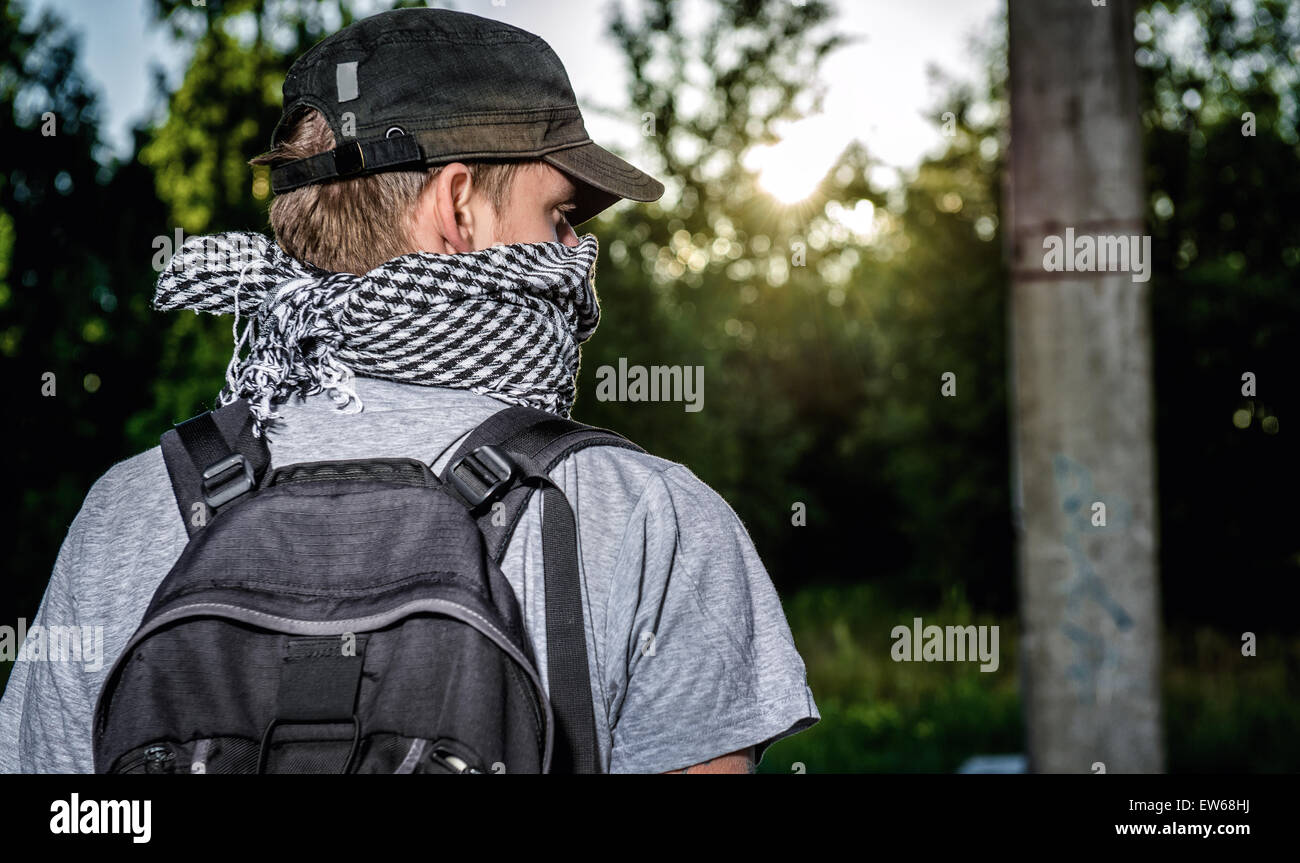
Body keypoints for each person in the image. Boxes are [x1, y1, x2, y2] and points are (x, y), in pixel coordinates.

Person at [0, 7, 818, 774]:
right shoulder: (649, 516)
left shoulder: (126, 510)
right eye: (562, 215)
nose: (578, 253)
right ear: (458, 205)